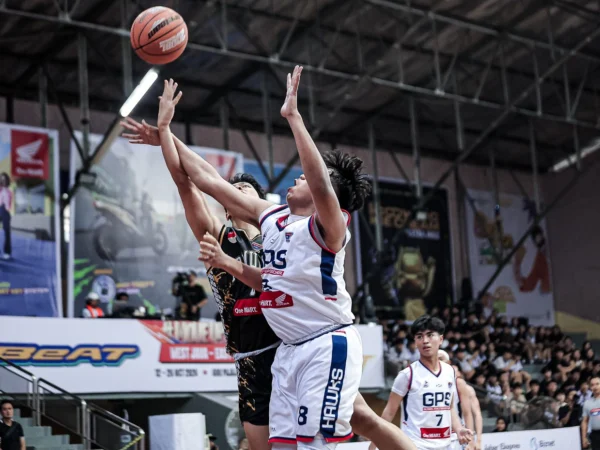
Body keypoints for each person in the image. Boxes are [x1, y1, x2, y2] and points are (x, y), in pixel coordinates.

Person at [124, 75, 417, 450]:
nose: (298, 175)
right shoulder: (272, 217)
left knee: (325, 439)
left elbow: (322, 184)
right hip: (285, 352)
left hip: (323, 342)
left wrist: (293, 117)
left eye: (309, 177)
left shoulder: (330, 226)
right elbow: (206, 180)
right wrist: (166, 132)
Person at [373, 316, 473, 450]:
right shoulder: (407, 375)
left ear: (441, 339)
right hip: (416, 445)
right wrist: (374, 444)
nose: (425, 341)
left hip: (447, 445)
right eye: (419, 336)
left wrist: (459, 429)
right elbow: (389, 413)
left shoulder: (450, 372)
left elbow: (449, 408)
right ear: (415, 341)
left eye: (430, 335)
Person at [438, 351, 482, 450]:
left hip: (456, 435)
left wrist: (475, 440)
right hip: (435, 435)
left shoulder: (461, 385)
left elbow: (470, 414)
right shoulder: (428, 381)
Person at [581, 377, 600, 449]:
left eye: (597, 384)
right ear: (590, 387)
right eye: (592, 385)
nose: (595, 387)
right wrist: (584, 438)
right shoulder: (587, 403)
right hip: (595, 435)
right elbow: (584, 421)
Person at [0, 172, 12, 260]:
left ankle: (7, 252)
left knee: (7, 232)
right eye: (1, 179)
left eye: (4, 179)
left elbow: (9, 203)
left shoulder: (9, 191)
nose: (3, 180)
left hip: (5, 210)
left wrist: (7, 210)